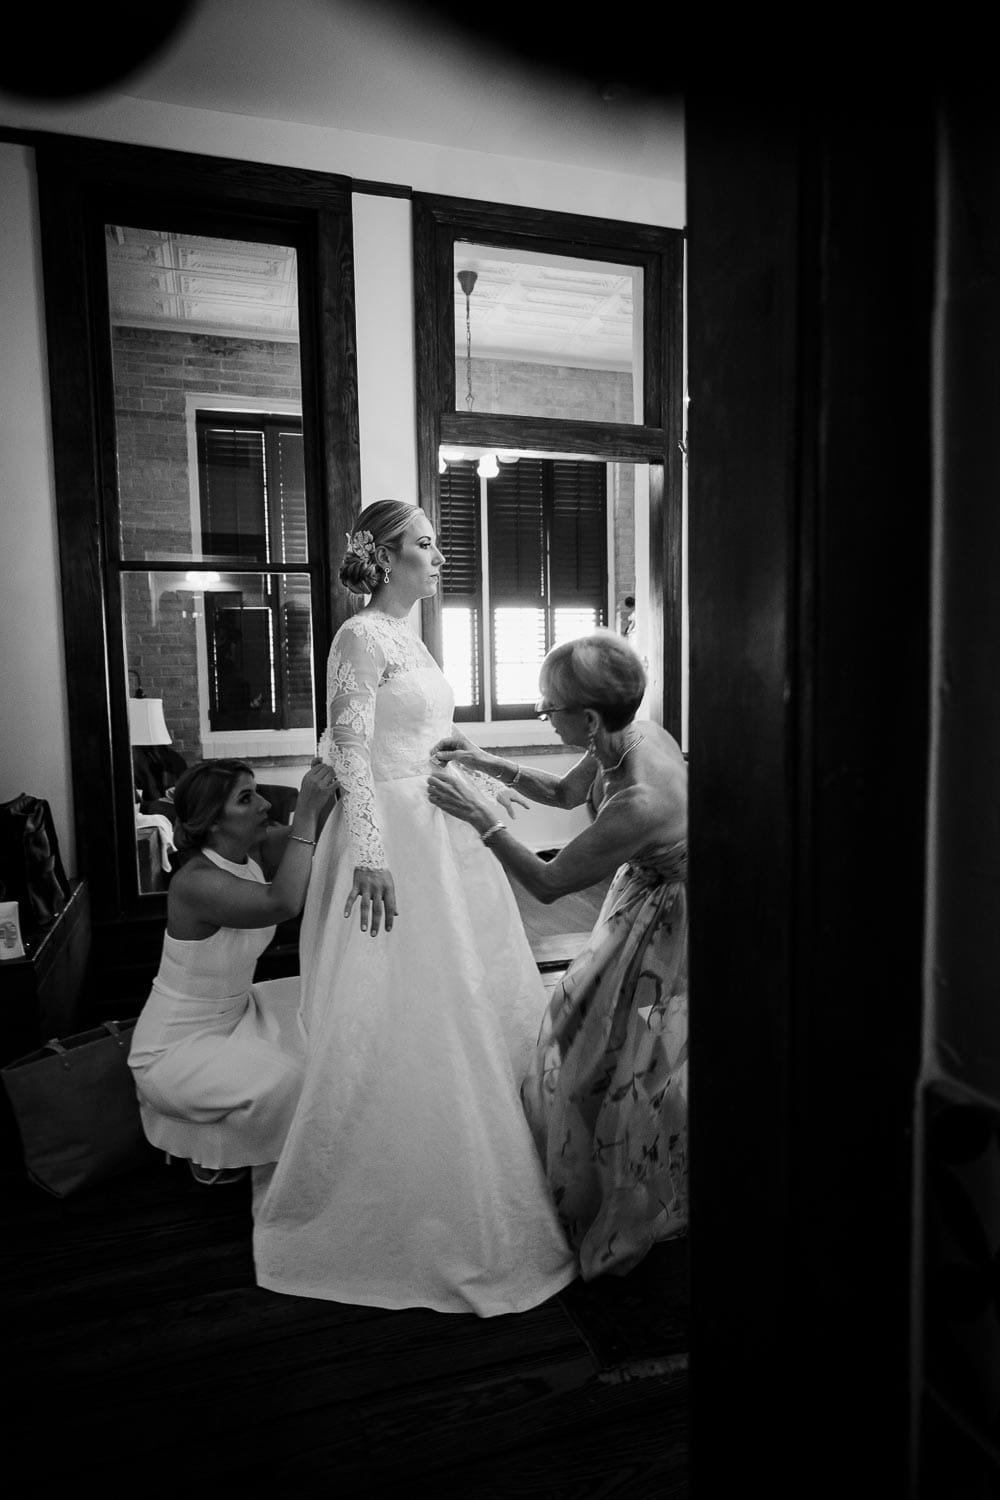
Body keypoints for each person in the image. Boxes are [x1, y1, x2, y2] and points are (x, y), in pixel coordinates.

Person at [251, 499, 577, 1315]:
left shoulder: (414, 638)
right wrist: (369, 851)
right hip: (392, 834)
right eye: (425, 546)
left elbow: (423, 731)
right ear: (386, 558)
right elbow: (347, 748)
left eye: (436, 545)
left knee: (464, 988)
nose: (439, 558)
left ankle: (489, 1152)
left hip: (440, 824)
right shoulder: (359, 636)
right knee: (402, 999)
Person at [427, 629, 688, 1280]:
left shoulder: (641, 799)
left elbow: (547, 886)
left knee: (634, 1065)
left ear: (589, 717)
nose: (544, 717)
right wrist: (481, 760)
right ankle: (582, 1178)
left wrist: (479, 815)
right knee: (578, 1035)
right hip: (640, 896)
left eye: (549, 709)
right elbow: (566, 795)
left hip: (674, 924)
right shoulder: (626, 736)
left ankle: (631, 1204)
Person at [129, 757, 339, 1185]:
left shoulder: (255, 852)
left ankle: (231, 1147)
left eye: (256, 791)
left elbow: (331, 830)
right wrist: (305, 810)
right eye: (246, 798)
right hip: (178, 1045)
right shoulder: (195, 882)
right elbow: (282, 903)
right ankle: (253, 1160)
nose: (264, 804)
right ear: (212, 822)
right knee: (293, 1079)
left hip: (238, 1013)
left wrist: (345, 771)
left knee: (327, 1000)